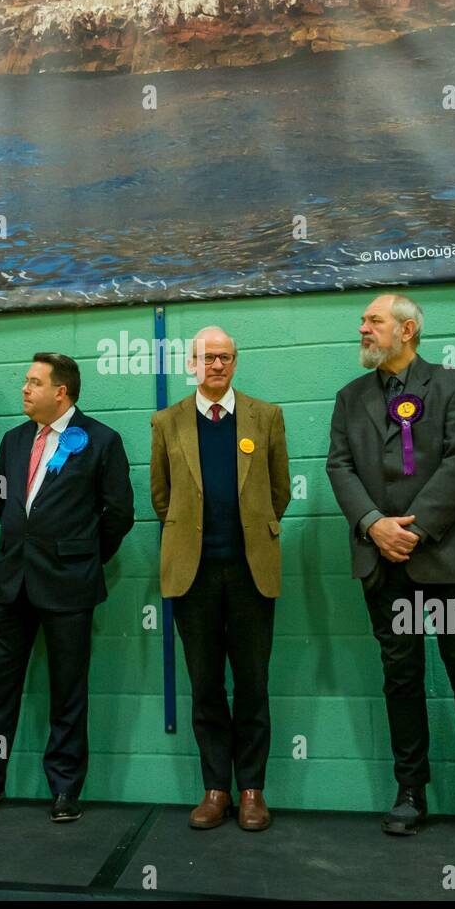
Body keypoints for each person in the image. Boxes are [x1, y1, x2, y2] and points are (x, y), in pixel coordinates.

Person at [326, 294, 455, 845]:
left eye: (374, 321)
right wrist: (373, 524)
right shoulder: (350, 397)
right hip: (380, 564)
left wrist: (410, 530)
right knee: (401, 679)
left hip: (450, 563)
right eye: (363, 321)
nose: (362, 328)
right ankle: (410, 792)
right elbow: (338, 466)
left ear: (407, 330)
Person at [0, 353, 134, 823]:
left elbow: (119, 515)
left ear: (62, 392)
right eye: (26, 382)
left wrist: (82, 558)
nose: (25, 389)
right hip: (12, 582)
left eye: (34, 382)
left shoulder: (101, 441)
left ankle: (65, 789)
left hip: (69, 585)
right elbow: (0, 501)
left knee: (68, 690)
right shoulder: (13, 440)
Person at [150, 326, 290, 831]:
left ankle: (252, 789)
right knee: (206, 685)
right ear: (192, 363)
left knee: (252, 684)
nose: (216, 365)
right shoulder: (167, 422)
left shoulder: (266, 417)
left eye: (225, 357)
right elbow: (161, 498)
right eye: (208, 357)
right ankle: (216, 789)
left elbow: (279, 493)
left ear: (235, 362)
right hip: (194, 575)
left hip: (253, 573)